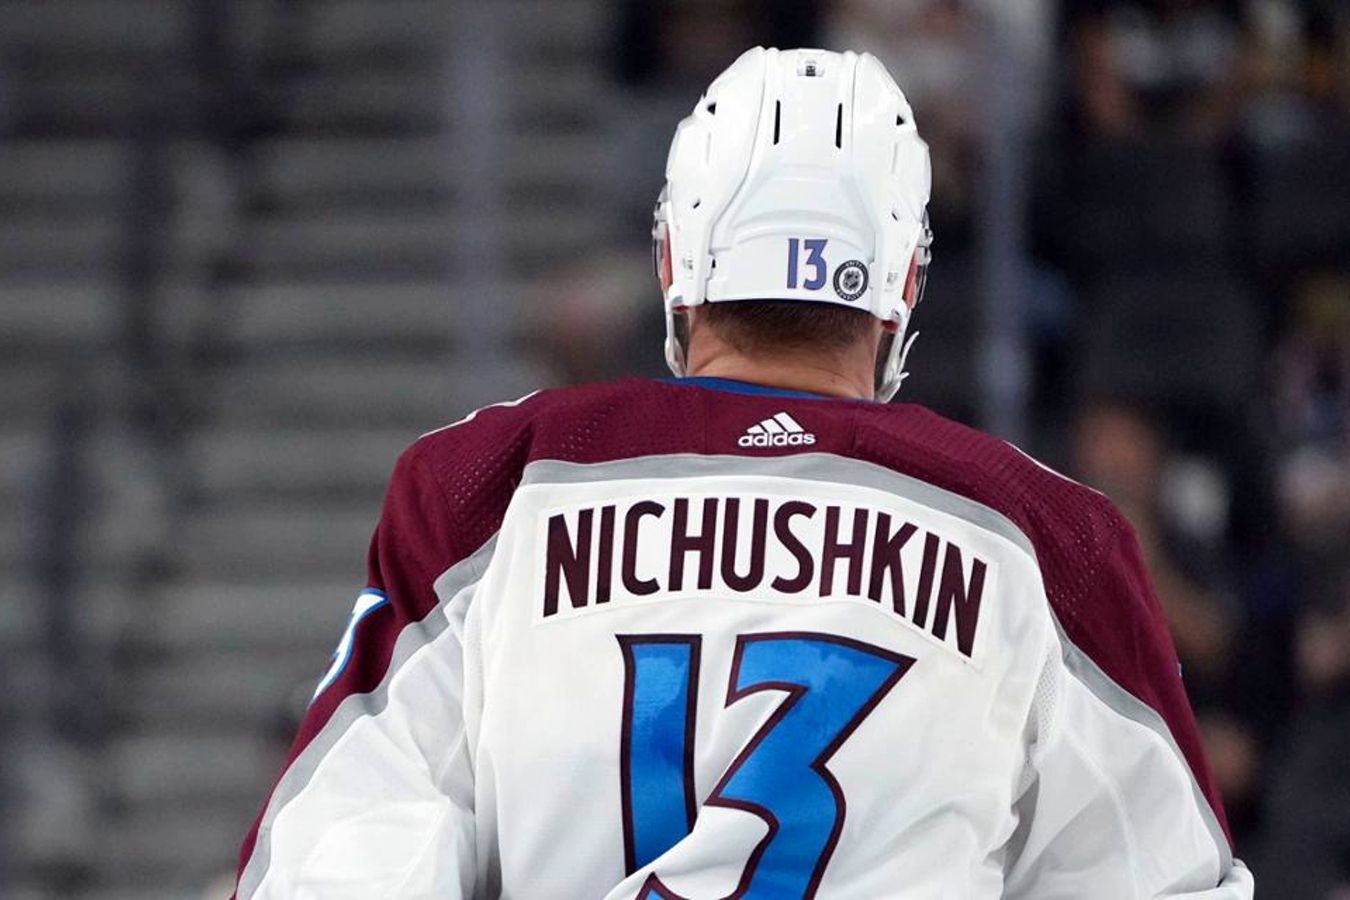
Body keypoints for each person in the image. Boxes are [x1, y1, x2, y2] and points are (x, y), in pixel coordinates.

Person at [232, 47, 1253, 898]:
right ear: (902, 281)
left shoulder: (490, 485)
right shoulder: (1041, 532)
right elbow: (1160, 878)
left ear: (673, 261)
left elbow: (336, 857)